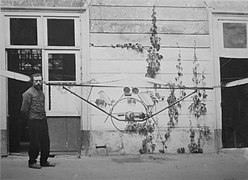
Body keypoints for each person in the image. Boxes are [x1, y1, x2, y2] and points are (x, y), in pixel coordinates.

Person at [21, 73, 55, 169]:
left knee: (45, 142)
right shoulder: (28, 93)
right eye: (36, 81)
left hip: (42, 120)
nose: (38, 82)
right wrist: (29, 120)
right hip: (33, 121)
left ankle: (44, 161)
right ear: (32, 82)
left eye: (40, 80)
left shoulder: (41, 93)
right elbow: (24, 110)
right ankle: (32, 162)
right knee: (34, 142)